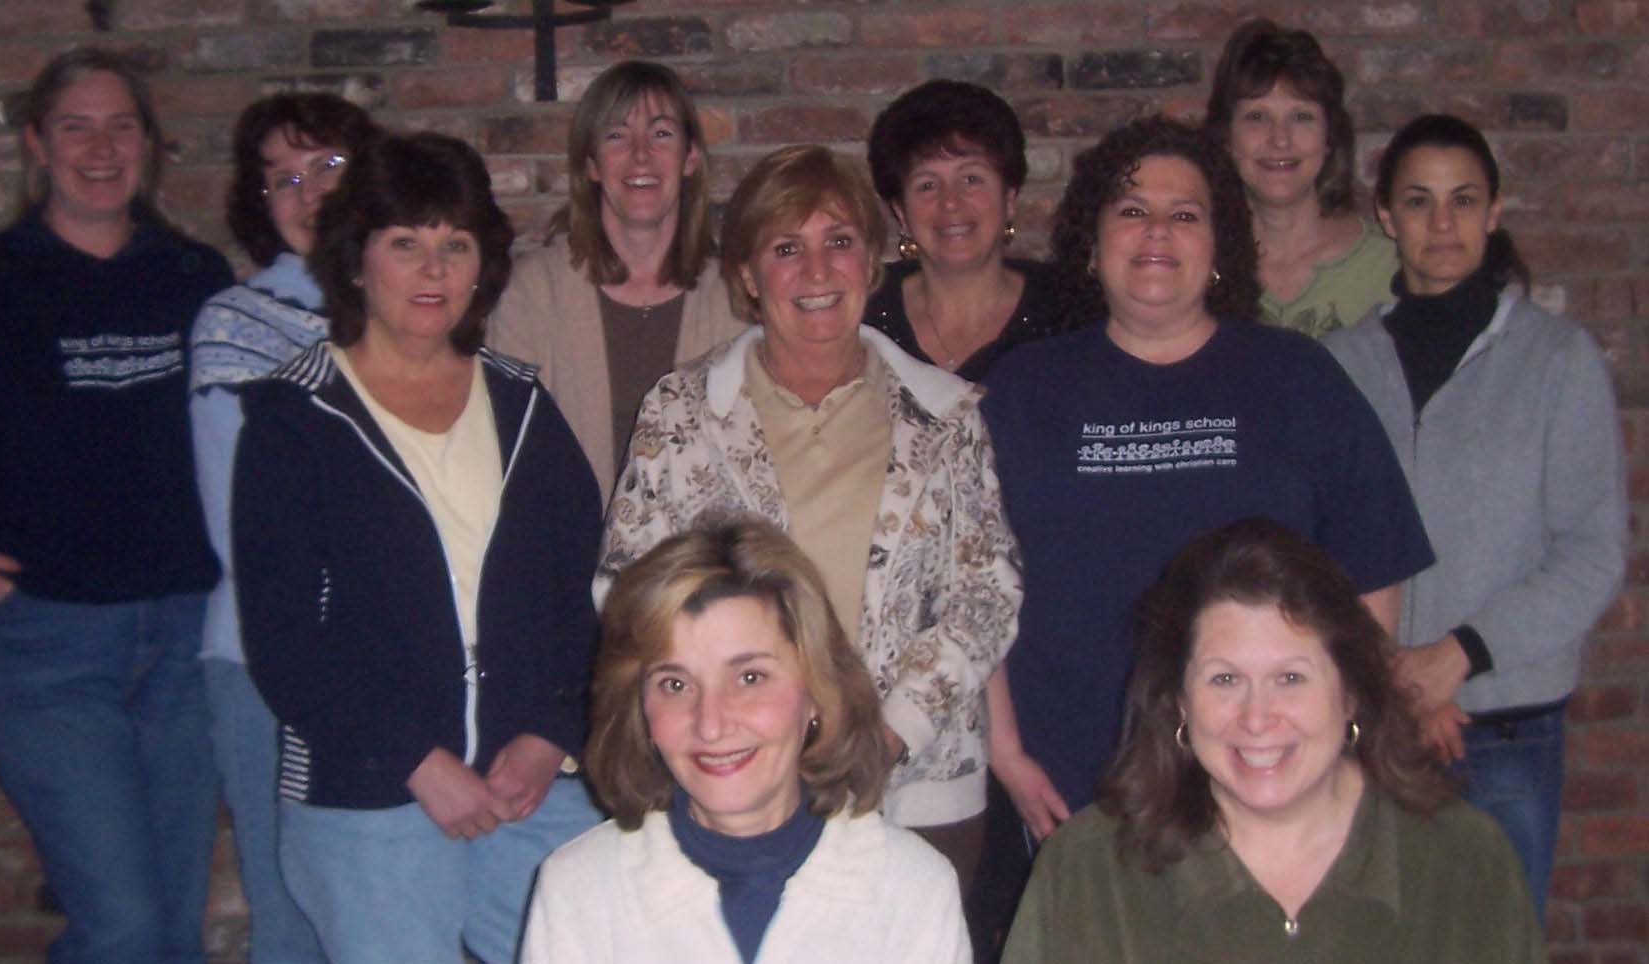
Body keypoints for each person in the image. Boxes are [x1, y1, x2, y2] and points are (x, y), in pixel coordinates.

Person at [980, 116, 1432, 847]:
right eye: (1132, 210)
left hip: (1270, 774)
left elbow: (1374, 568)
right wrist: (1005, 750)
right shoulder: (1025, 390)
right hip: (1074, 788)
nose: (1157, 231)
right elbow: (977, 584)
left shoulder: (1297, 378)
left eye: (1185, 215)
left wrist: (1348, 734)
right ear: (1091, 245)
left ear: (1220, 247)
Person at [597, 144, 1022, 898]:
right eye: (787, 249)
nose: (818, 271)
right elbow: (624, 587)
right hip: (732, 779)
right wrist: (730, 714)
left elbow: (986, 595)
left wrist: (887, 735)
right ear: (748, 276)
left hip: (918, 785)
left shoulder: (946, 413)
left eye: (840, 242)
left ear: (871, 262)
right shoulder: (680, 411)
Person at [231, 132, 603, 963]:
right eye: (406, 243)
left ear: (481, 268)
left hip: (527, 784)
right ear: (358, 260)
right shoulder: (295, 420)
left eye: (455, 245)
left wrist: (550, 732)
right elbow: (285, 644)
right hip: (369, 790)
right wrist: (418, 762)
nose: (433, 270)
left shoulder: (522, 405)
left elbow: (579, 597)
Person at [0, 48, 231, 963]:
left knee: (172, 927)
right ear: (36, 142)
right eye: (76, 127)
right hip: (45, 644)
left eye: (121, 127)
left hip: (183, 638)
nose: (101, 149)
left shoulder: (194, 276)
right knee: (123, 926)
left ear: (149, 144)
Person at [1324, 114, 1627, 917]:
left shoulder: (1557, 360)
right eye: (1418, 201)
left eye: (1463, 200)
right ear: (1387, 216)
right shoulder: (1340, 365)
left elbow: (1593, 552)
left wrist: (1457, 656)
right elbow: (1315, 543)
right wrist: (1392, 673)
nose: (1442, 223)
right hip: (1369, 723)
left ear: (1494, 211)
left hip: (1504, 728)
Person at [1001, 519, 1547, 963]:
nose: (1257, 719)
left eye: (1290, 678)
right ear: (1180, 701)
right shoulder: (1088, 872)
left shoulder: (1465, 863)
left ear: (1350, 693)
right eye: (1225, 679)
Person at [525, 518, 970, 964]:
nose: (711, 725)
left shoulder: (912, 891)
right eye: (675, 685)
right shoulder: (578, 892)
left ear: (817, 692)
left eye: (750, 678)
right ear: (639, 706)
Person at [189, 91, 379, 963]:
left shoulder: (414, 304)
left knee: (384, 907)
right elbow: (242, 523)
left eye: (328, 165)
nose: (308, 194)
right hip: (269, 658)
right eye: (283, 179)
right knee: (293, 916)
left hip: (394, 658)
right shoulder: (238, 322)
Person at [488, 59, 746, 503]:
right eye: (616, 135)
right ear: (591, 164)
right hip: (563, 541)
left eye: (661, 133)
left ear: (690, 158)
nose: (640, 154)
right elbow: (504, 457)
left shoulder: (734, 299)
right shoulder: (530, 293)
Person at [1205, 19, 1397, 336]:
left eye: (1301, 117)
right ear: (1226, 136)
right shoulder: (1196, 262)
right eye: (1257, 117)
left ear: (1329, 136)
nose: (1280, 139)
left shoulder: (1391, 266)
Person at [863, 80, 1062, 380]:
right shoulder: (862, 313)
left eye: (971, 179)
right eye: (927, 185)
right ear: (901, 213)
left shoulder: (1068, 310)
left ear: (1008, 198)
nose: (950, 203)